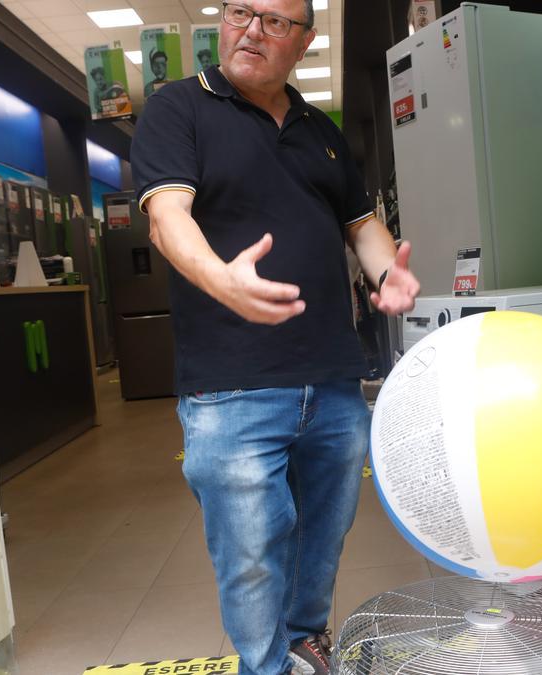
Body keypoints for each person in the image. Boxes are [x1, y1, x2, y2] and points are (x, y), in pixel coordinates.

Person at [129, 2, 420, 674]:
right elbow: (166, 218)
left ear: (305, 41)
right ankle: (266, 667)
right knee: (252, 555)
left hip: (333, 380)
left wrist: (387, 273)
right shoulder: (179, 108)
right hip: (229, 384)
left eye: (274, 21)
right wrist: (219, 279)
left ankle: (305, 644)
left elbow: (360, 222)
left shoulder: (321, 128)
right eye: (239, 12)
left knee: (322, 540)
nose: (251, 30)